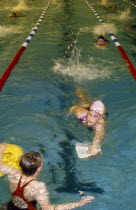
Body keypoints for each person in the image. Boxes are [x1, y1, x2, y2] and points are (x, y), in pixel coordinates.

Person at [0, 142, 95, 210]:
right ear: (38, 169)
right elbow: (48, 208)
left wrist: (2, 147)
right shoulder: (38, 187)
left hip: (11, 205)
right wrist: (78, 203)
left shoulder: (13, 173)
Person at [69, 88, 106, 158]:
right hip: (85, 108)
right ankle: (79, 90)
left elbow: (99, 135)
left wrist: (94, 146)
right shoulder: (81, 113)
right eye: (90, 114)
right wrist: (68, 113)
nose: (91, 119)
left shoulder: (100, 124)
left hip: (96, 116)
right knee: (83, 101)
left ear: (100, 118)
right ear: (88, 112)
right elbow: (73, 108)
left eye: (95, 116)